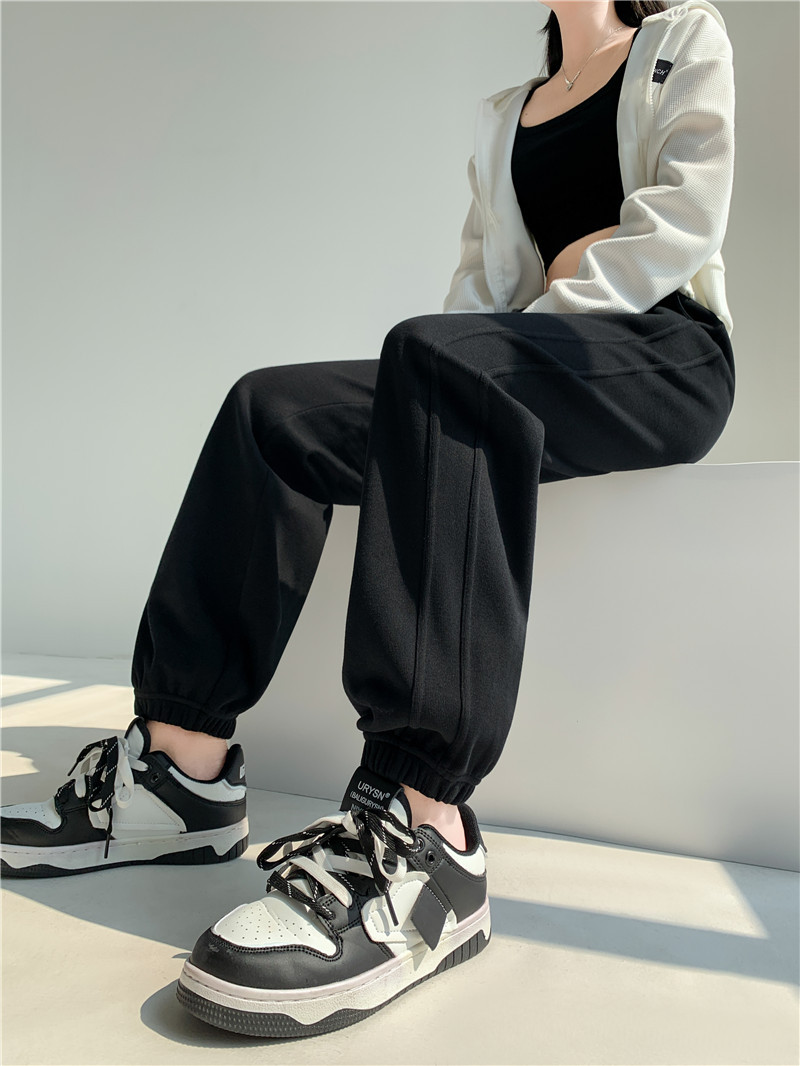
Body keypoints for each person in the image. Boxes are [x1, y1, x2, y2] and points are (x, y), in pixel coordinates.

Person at [1, 0, 736, 1040]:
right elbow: (478, 293)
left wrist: (520, 322)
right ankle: (179, 773)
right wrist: (482, 346)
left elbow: (677, 227)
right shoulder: (509, 112)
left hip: (664, 355)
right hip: (520, 358)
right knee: (274, 407)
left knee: (442, 360)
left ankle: (424, 835)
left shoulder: (679, 41)